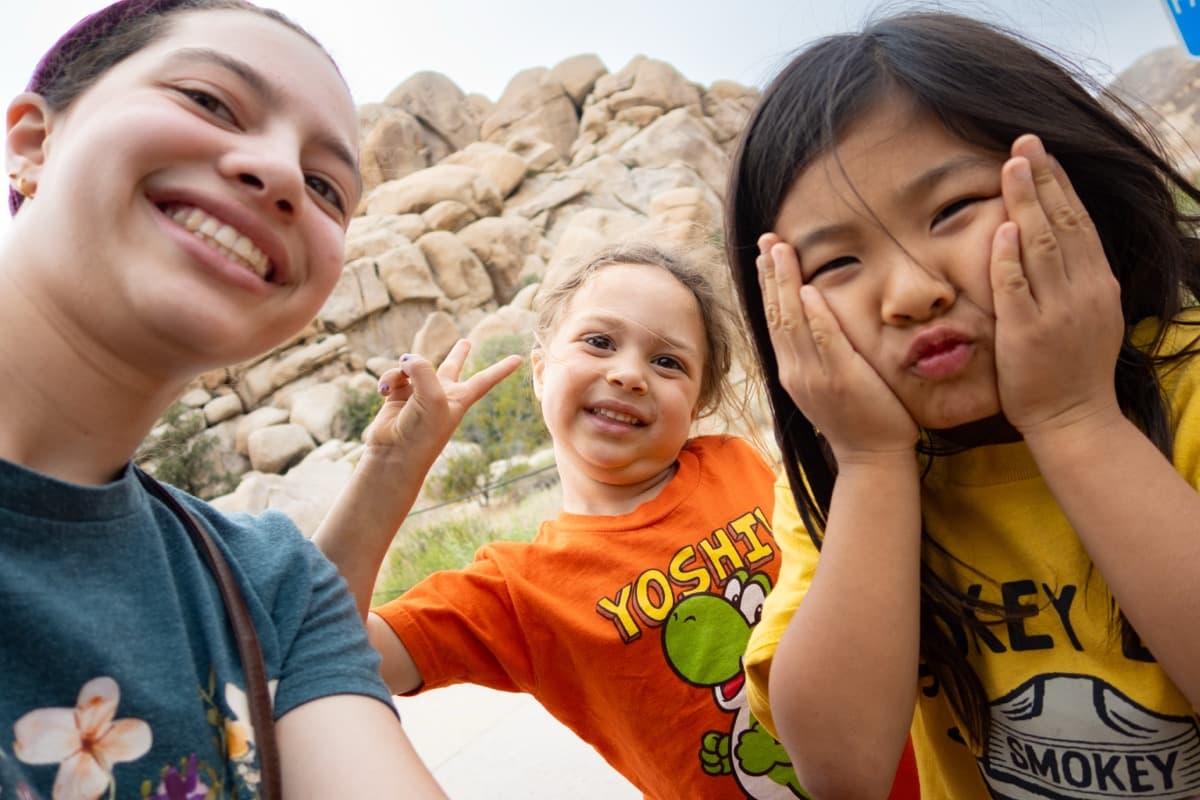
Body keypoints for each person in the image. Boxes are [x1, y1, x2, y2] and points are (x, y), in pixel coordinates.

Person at [0, 2, 514, 798]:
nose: (277, 175)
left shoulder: (271, 589)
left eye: (324, 187)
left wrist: (395, 459)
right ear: (34, 143)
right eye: (208, 100)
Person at [724, 10, 1200, 800]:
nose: (913, 292)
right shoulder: (840, 476)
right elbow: (841, 770)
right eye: (838, 262)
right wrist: (874, 466)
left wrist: (1074, 417)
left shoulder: (1186, 382)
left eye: (951, 212)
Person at [318, 242, 925, 799]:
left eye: (667, 362)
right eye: (599, 343)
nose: (629, 374)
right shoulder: (515, 592)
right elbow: (322, 645)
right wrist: (391, 464)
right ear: (538, 371)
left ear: (699, 401)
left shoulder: (739, 463)